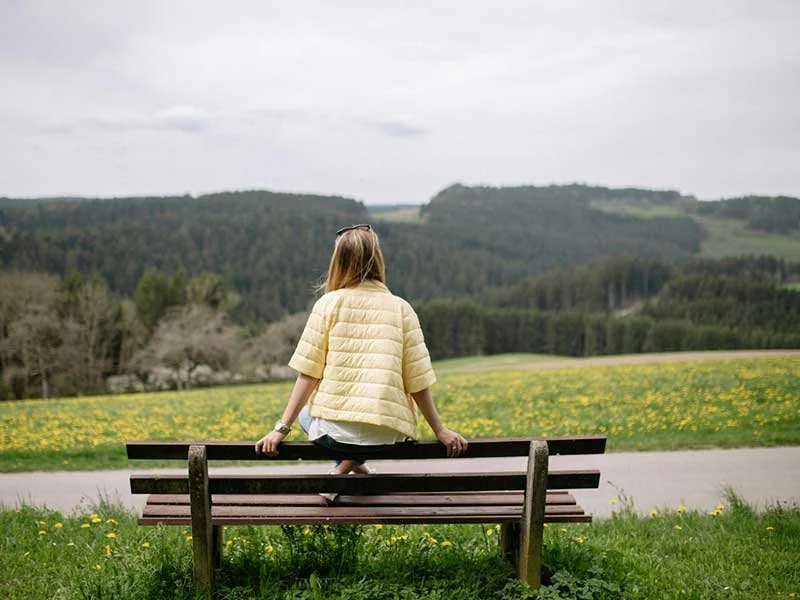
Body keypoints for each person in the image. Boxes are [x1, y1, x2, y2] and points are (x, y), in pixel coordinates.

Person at [255, 223, 467, 480]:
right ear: (377, 259)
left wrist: (281, 429)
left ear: (338, 262)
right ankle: (354, 467)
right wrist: (440, 430)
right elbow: (418, 381)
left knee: (306, 414)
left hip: (335, 436)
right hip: (388, 436)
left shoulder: (328, 304)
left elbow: (308, 375)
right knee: (365, 432)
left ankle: (341, 470)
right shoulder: (402, 309)